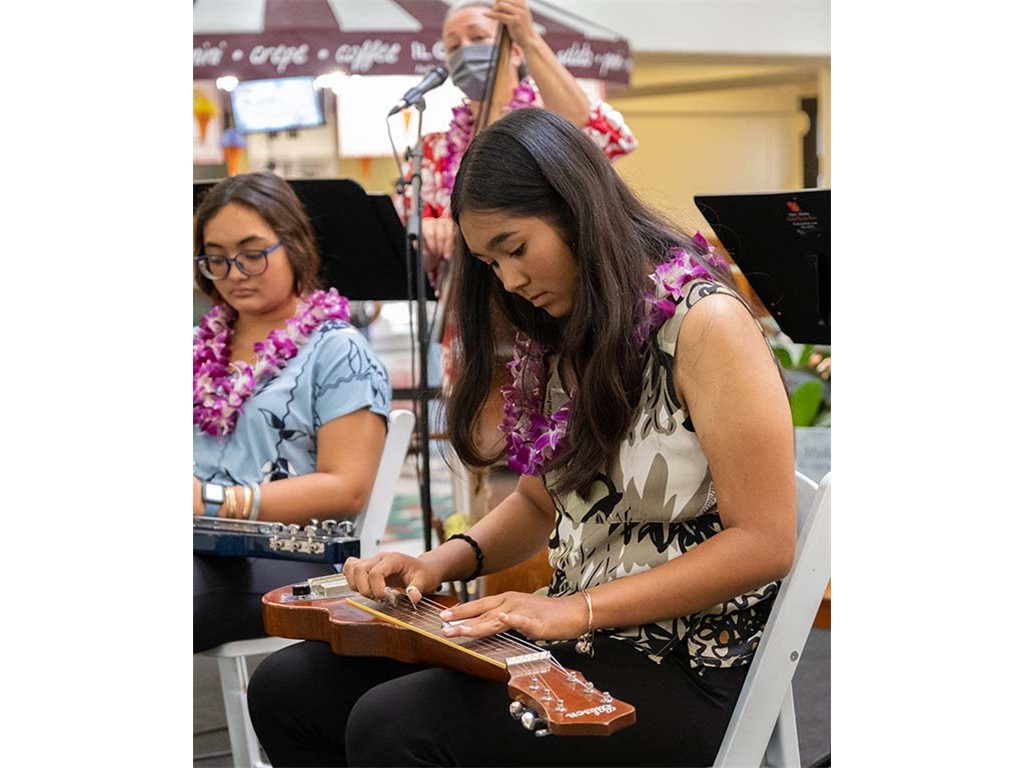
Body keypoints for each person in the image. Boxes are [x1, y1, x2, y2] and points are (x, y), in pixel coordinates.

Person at [247, 108, 796, 767]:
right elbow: (539, 503)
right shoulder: (572, 327)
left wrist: (577, 610)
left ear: (577, 210)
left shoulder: (706, 323)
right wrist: (438, 564)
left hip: (686, 662)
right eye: (490, 262)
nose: (509, 280)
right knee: (289, 689)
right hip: (577, 630)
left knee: (397, 726)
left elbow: (764, 542)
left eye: (515, 248)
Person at [193, 171, 392, 653]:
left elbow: (347, 488)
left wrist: (214, 501)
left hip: (291, 557)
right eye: (217, 259)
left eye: (252, 254)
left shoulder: (337, 351)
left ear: (295, 246)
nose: (235, 272)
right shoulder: (197, 346)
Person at [409, 0, 638, 284]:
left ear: (515, 52)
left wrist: (528, 36)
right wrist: (429, 236)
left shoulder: (545, 119)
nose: (465, 50)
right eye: (453, 46)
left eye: (478, 37)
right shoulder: (433, 149)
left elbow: (601, 136)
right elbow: (416, 253)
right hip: (466, 297)